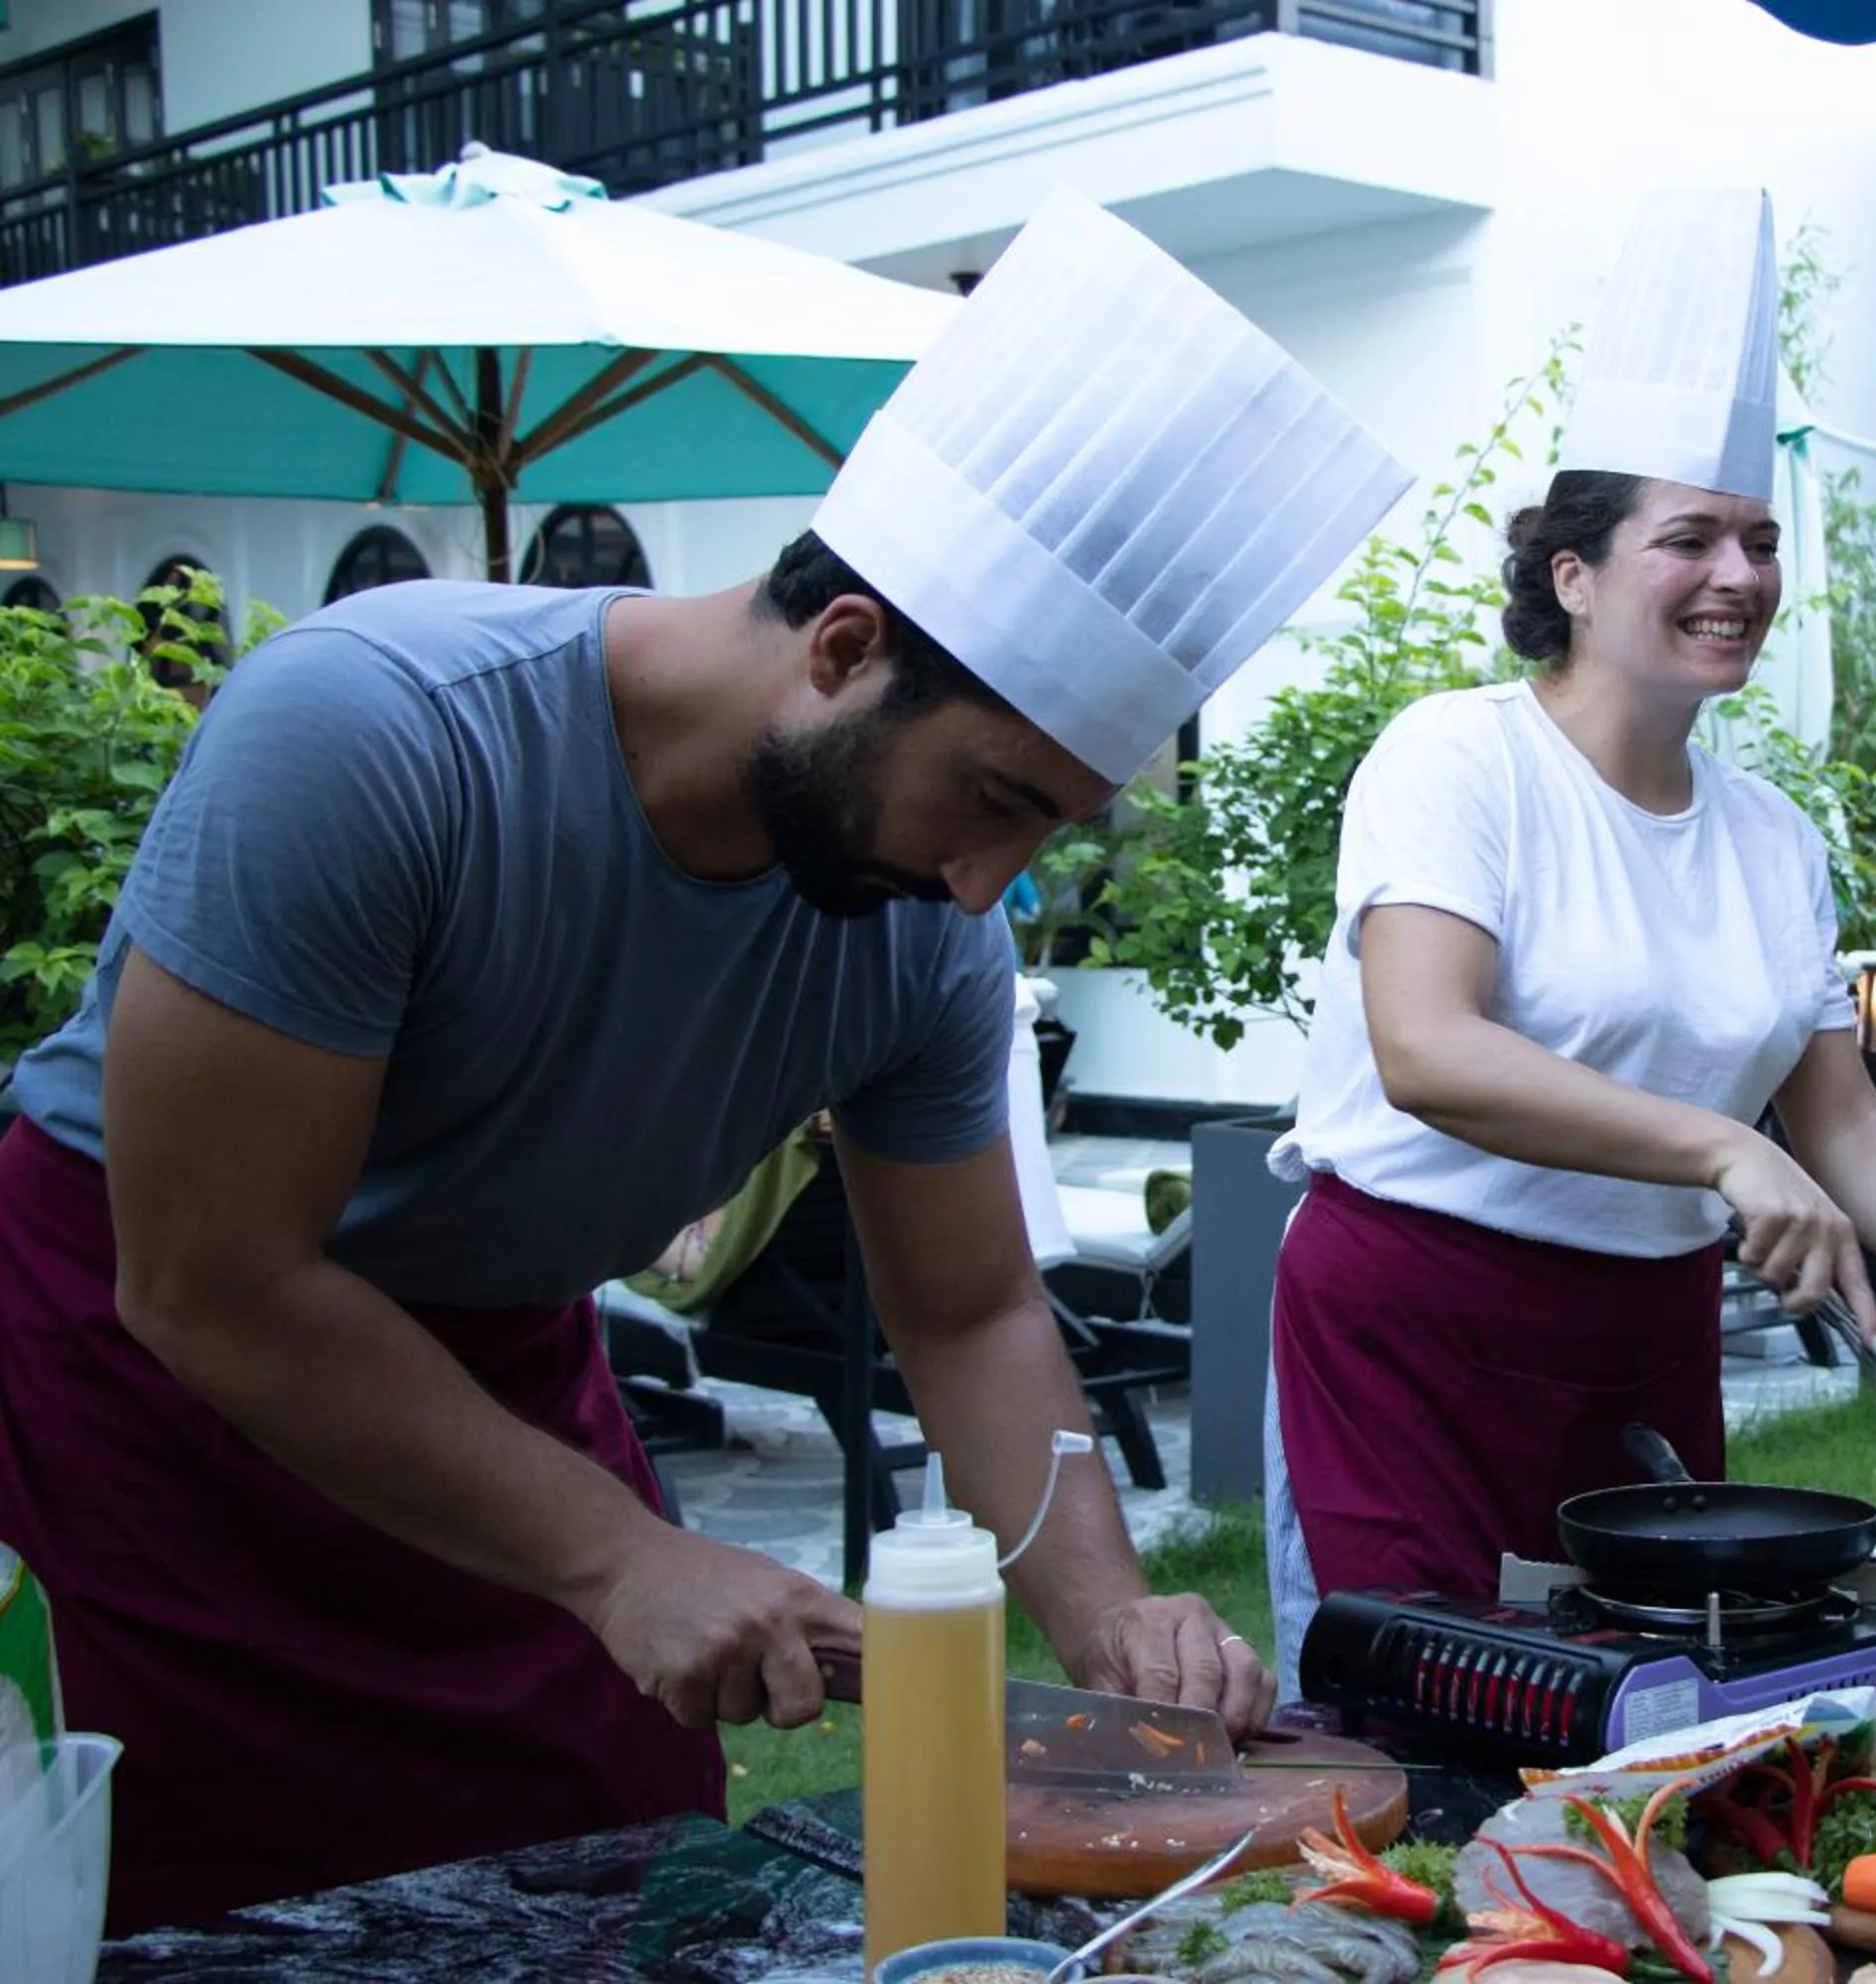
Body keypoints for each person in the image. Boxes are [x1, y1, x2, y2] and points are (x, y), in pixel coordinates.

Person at [0, 190, 1406, 1929]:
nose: (984, 890)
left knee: (614, 1880)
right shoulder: (372, 733)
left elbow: (966, 1311)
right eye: (990, 800)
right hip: (149, 1402)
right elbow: (210, 1280)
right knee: (207, 1916)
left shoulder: (927, 933)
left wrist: (1107, 1610)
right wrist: (615, 1553)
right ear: (842, 648)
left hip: (505, 1376)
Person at [1262, 188, 1876, 1684]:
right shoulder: (1458, 759)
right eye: (1693, 537)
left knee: (1665, 1714)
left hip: (1641, 1338)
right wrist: (1722, 1149)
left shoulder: (1775, 842)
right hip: (1414, 1322)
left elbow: (1840, 1123)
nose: (1740, 575)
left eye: (1762, 540)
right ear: (1572, 576)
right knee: (1424, 1721)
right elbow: (1428, 1048)